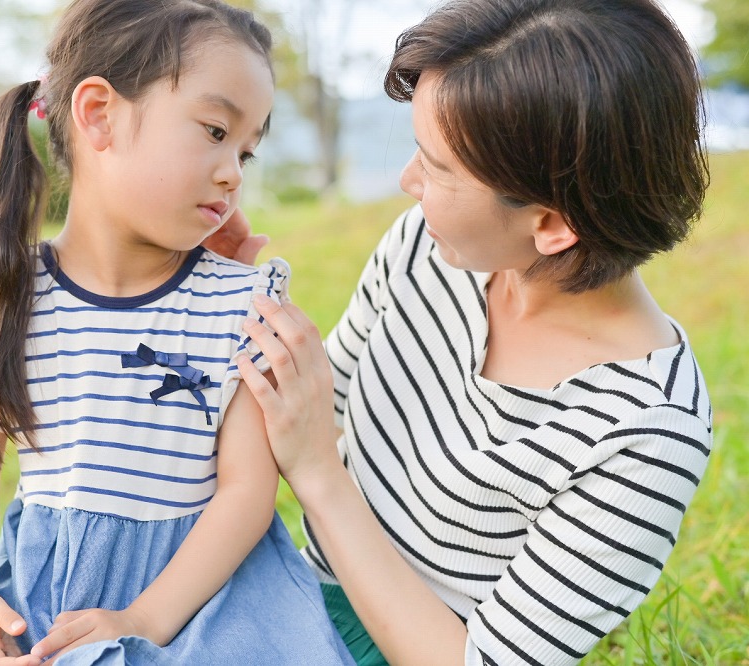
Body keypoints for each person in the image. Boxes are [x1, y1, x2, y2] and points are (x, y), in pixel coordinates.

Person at [233, 0, 714, 663]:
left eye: (435, 169)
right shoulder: (426, 249)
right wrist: (204, 289)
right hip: (283, 592)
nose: (406, 183)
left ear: (550, 225)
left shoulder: (645, 430)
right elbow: (308, 401)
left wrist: (319, 473)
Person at [0, 1, 353, 665]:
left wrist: (144, 617)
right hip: (48, 600)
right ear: (98, 114)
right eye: (213, 130)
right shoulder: (6, 299)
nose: (234, 170)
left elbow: (246, 492)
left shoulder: (237, 302)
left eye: (247, 150)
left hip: (204, 604)